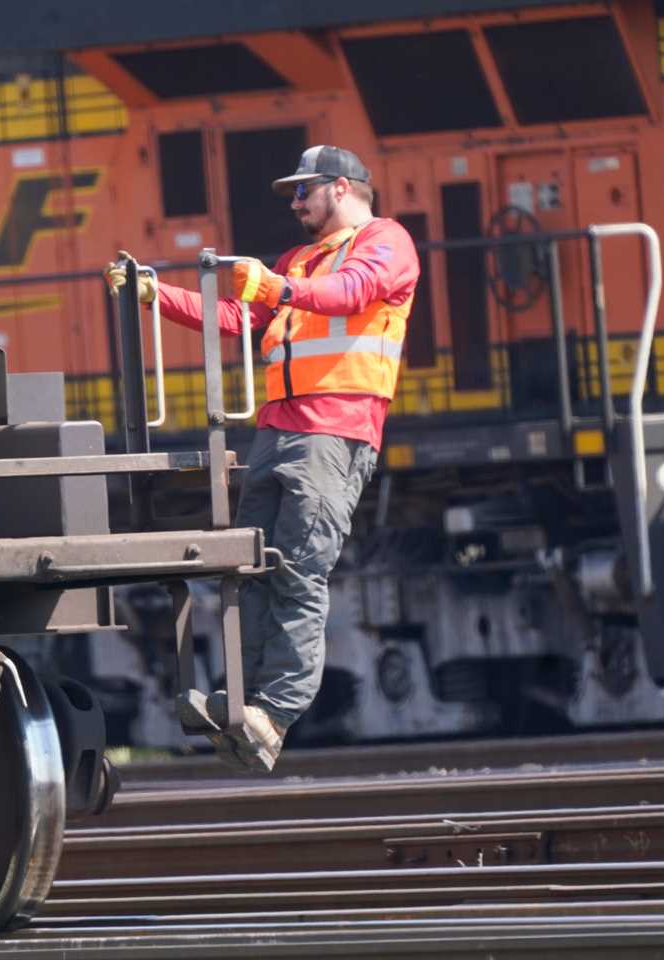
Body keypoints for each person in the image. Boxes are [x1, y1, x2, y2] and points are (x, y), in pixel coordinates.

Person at [105, 145, 419, 771]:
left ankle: (274, 712)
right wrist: (154, 294)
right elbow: (234, 318)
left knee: (301, 569)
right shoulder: (300, 260)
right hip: (277, 427)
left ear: (341, 188)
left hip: (337, 428)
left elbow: (354, 291)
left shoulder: (386, 240)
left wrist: (279, 285)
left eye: (304, 191)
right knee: (249, 570)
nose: (295, 203)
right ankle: (238, 701)